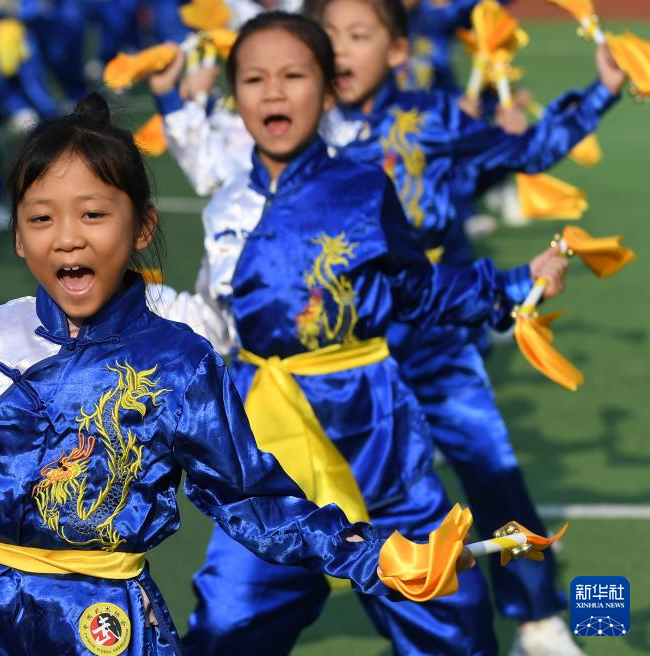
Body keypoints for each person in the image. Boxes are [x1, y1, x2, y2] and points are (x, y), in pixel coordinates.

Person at [0, 94, 448, 654]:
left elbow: (250, 496)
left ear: (143, 226)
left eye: (93, 215)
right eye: (41, 218)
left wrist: (372, 554)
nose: (67, 239)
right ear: (18, 236)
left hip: (104, 618)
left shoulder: (179, 359)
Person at [146, 13, 569, 654]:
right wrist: (134, 306)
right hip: (271, 441)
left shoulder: (364, 187)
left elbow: (418, 289)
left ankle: (534, 616)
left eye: (294, 76)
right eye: (254, 79)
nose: (274, 92)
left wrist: (513, 285)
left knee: (443, 610)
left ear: (328, 90)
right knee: (231, 619)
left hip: (372, 429)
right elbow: (217, 318)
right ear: (236, 97)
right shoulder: (227, 202)